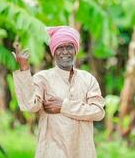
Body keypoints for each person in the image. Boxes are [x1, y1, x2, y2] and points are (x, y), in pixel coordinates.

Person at [12, 26, 105, 158]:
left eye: (69, 47)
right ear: (53, 52)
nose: (65, 52)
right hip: (52, 151)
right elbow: (30, 105)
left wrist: (64, 106)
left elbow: (98, 112)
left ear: (75, 50)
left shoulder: (88, 79)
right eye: (60, 48)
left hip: (82, 151)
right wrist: (24, 68)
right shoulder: (43, 78)